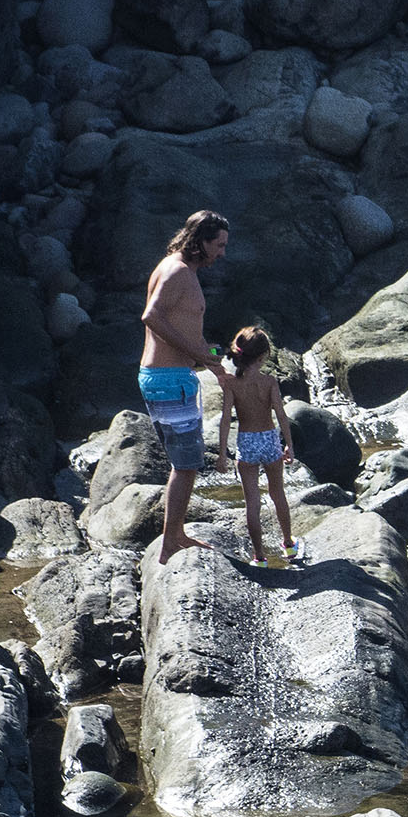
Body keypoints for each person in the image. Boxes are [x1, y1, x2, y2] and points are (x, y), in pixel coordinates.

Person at [139, 209, 229, 563]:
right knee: (186, 463)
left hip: (171, 377)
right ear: (200, 241)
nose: (222, 252)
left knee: (185, 462)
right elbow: (151, 315)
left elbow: (183, 328)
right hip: (168, 380)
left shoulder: (179, 268)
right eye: (218, 245)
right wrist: (198, 354)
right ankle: (171, 540)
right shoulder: (176, 271)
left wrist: (210, 357)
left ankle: (174, 534)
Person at [216, 326, 297, 568]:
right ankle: (289, 545)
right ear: (262, 357)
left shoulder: (231, 384)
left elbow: (224, 420)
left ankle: (259, 557)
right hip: (270, 439)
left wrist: (222, 454)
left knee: (252, 501)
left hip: (247, 442)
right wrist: (289, 445)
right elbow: (281, 416)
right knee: (278, 493)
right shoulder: (269, 381)